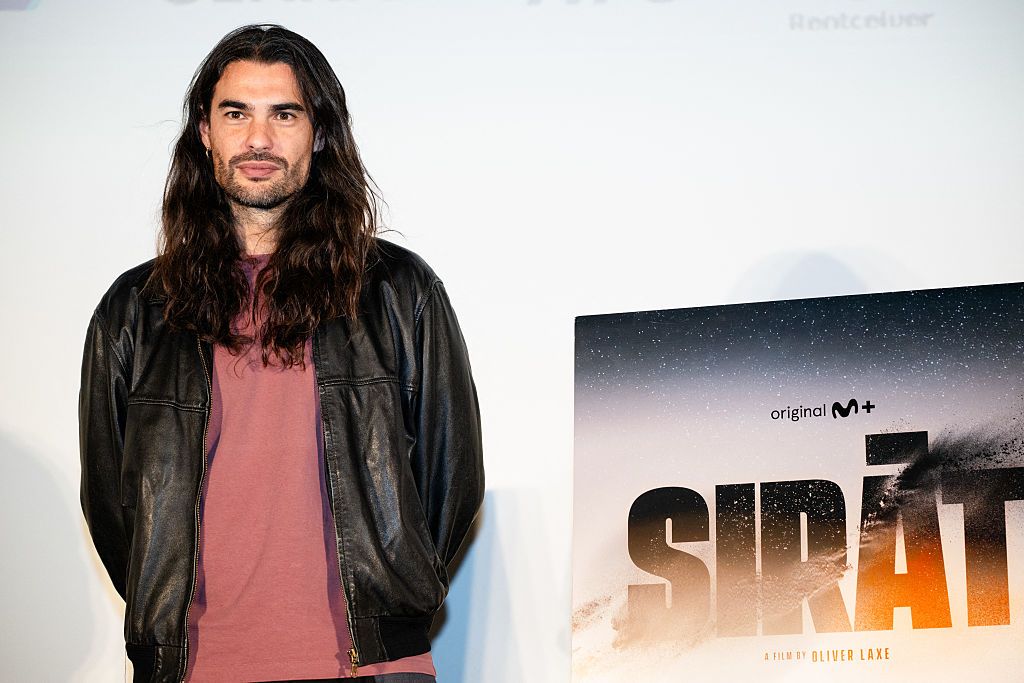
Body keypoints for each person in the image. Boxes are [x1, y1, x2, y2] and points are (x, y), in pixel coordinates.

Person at [79, 24, 483, 682]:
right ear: (204, 133)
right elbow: (112, 504)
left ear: (318, 133)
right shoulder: (134, 309)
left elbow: (452, 479)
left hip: (373, 669)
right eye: (235, 113)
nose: (258, 139)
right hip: (191, 671)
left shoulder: (398, 292)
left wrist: (392, 606)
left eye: (284, 114)